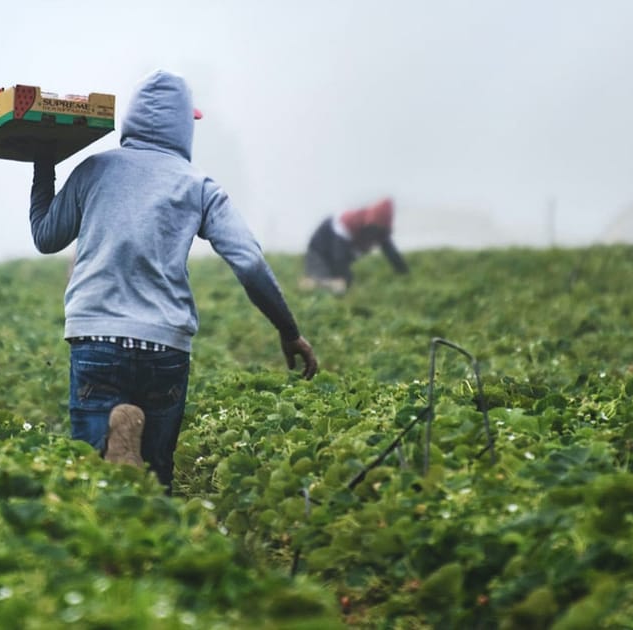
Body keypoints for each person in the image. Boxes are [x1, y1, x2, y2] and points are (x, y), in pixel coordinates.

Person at [26, 70, 318, 494]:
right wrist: (288, 331)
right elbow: (249, 262)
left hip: (97, 337)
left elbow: (46, 237)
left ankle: (113, 448)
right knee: (157, 480)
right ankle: (146, 509)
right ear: (184, 126)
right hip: (164, 344)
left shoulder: (94, 170)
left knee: (90, 481)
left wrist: (43, 166)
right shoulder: (199, 185)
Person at [302, 197, 408, 294]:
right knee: (326, 283)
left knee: (339, 282)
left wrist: (404, 274)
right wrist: (344, 279)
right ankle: (308, 284)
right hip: (320, 249)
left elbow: (391, 252)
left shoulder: (380, 228)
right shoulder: (348, 223)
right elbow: (339, 258)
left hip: (342, 251)